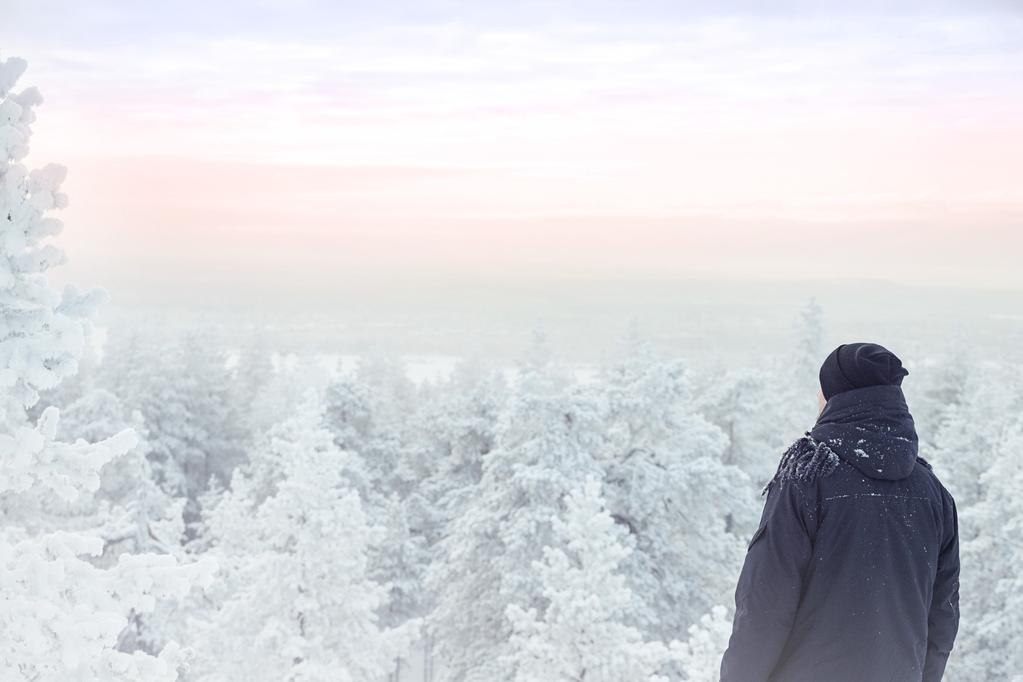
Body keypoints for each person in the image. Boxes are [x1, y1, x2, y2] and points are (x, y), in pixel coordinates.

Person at [720, 342, 960, 682]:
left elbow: (764, 606)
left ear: (835, 397)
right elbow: (942, 619)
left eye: (821, 391)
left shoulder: (807, 476)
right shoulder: (934, 494)